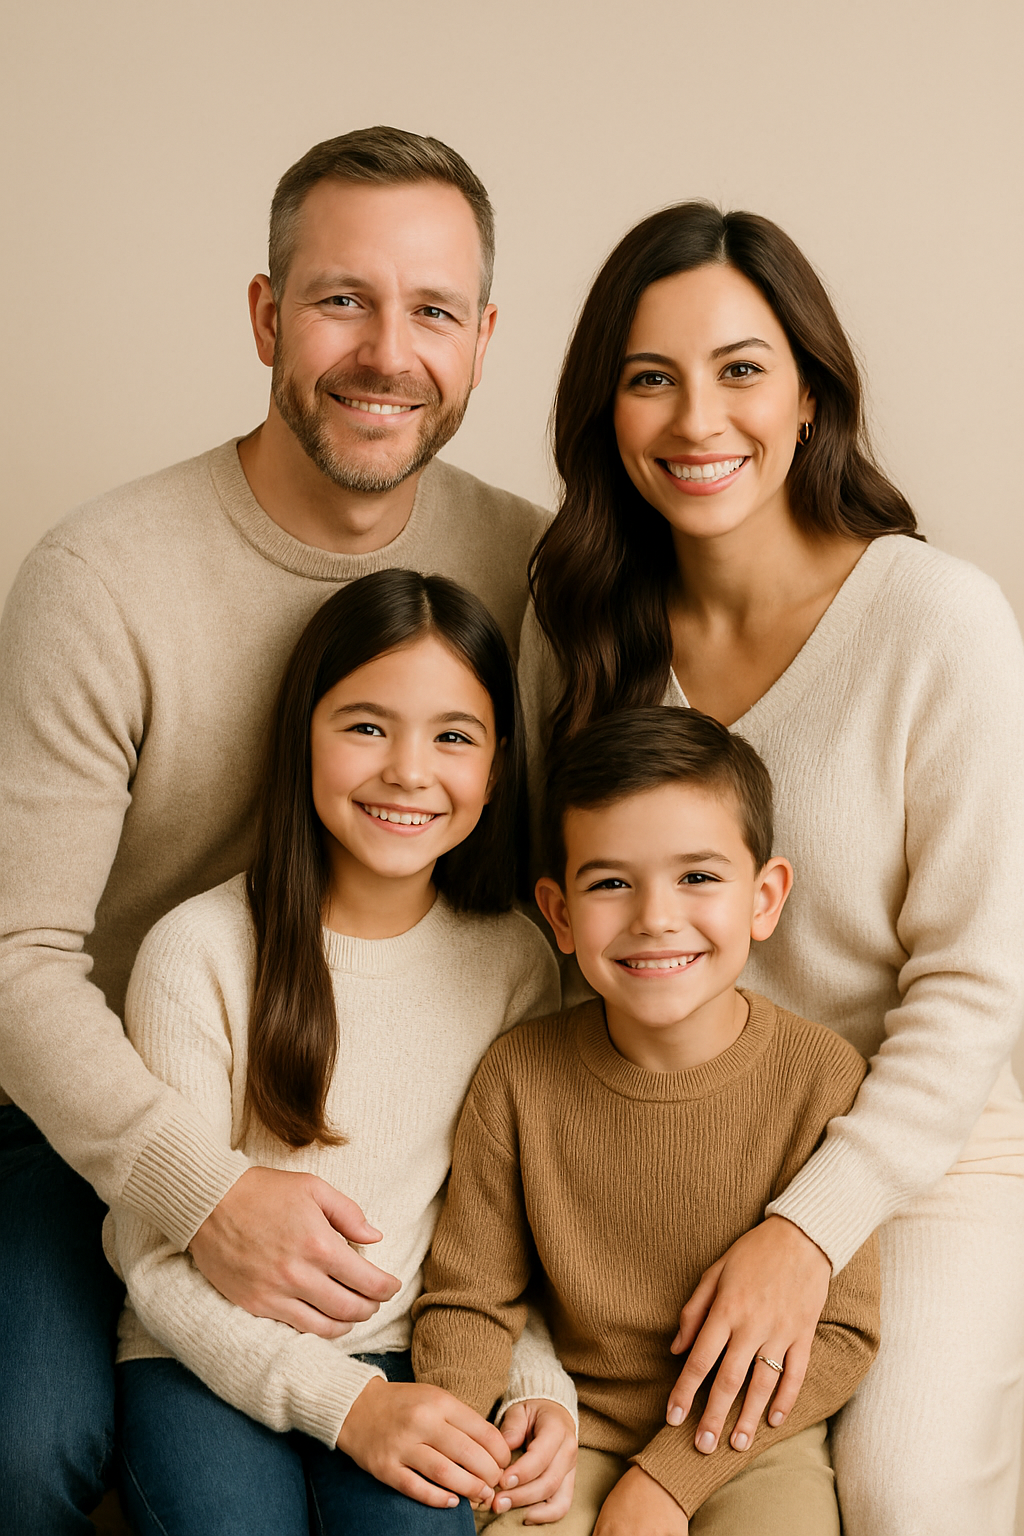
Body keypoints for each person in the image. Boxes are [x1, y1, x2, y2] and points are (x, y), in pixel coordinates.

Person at [0, 126, 553, 1532]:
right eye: (339, 299)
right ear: (264, 314)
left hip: (384, 1132)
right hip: (105, 1110)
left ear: (483, 340)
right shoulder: (101, 577)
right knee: (33, 1447)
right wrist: (201, 1190)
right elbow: (17, 959)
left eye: (432, 310)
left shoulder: (536, 575)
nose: (387, 351)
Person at [519, 201, 1024, 1533]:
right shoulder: (572, 630)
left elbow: (974, 990)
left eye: (741, 369)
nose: (698, 421)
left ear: (811, 396)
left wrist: (804, 1234)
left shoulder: (939, 624)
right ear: (604, 414)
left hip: (915, 1158)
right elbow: (542, 948)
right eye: (650, 379)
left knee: (905, 1497)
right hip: (654, 1138)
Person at [108, 568, 577, 1535]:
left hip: (412, 1357)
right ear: (303, 738)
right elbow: (153, 1258)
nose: (409, 770)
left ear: (496, 768)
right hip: (198, 1355)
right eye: (366, 726)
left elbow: (494, 1243)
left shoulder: (514, 963)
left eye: (454, 736)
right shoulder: (196, 951)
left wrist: (538, 1389)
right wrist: (344, 1405)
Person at [413, 707, 880, 1535]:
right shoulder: (518, 1078)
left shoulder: (820, 1077)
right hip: (570, 1430)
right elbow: (471, 1301)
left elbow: (840, 1334)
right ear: (558, 914)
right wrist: (456, 1436)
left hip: (750, 1440)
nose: (654, 917)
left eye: (697, 877)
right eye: (610, 882)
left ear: (764, 898)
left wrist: (667, 1482)